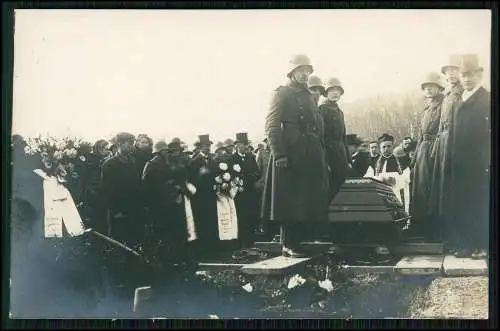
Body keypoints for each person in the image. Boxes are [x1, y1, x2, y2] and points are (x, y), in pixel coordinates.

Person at [262, 54, 329, 257]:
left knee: (305, 197)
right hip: (290, 151)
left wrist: (319, 150)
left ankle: (299, 241)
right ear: (292, 71)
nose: (305, 74)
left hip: (310, 151)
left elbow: (317, 123)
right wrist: (279, 153)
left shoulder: (309, 95)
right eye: (301, 70)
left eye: (308, 71)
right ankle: (288, 244)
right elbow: (271, 125)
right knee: (289, 198)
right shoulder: (281, 94)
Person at [449, 54, 490, 259]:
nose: (467, 79)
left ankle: (483, 245)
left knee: (480, 202)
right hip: (461, 161)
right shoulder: (459, 99)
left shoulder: (486, 99)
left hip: (480, 162)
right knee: (462, 202)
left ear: (480, 75)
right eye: (464, 75)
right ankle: (467, 244)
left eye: (471, 75)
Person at [142, 138, 196, 265]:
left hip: (175, 202)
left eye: (167, 151)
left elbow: (179, 179)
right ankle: (168, 260)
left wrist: (180, 189)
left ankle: (180, 258)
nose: (167, 153)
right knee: (165, 234)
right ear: (158, 153)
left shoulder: (169, 164)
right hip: (160, 205)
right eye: (164, 151)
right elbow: (148, 187)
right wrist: (169, 188)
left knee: (179, 232)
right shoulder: (151, 165)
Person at [430, 54, 464, 251]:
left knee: (455, 192)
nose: (451, 74)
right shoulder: (450, 94)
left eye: (455, 70)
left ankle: (457, 239)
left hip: (455, 144)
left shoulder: (461, 94)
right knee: (444, 191)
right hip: (443, 145)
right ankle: (448, 236)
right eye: (448, 71)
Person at [411, 72, 444, 240]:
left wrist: (434, 152)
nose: (428, 89)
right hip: (423, 150)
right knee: (420, 187)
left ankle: (433, 227)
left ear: (439, 88)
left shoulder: (443, 106)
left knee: (433, 188)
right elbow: (421, 136)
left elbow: (441, 131)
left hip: (435, 150)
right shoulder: (425, 110)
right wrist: (416, 156)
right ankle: (420, 225)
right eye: (426, 87)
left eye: (432, 86)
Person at [101, 132, 144, 248]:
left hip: (134, 211)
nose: (132, 146)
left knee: (134, 245)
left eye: (133, 143)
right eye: (129, 143)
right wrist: (116, 211)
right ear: (119, 144)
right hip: (118, 214)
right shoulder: (109, 164)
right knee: (119, 246)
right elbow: (107, 191)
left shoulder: (134, 162)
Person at [188, 134, 219, 258]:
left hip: (211, 196)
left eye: (209, 145)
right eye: (205, 146)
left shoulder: (213, 160)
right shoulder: (194, 162)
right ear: (200, 147)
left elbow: (216, 175)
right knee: (201, 223)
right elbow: (191, 180)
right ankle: (203, 251)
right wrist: (201, 176)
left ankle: (212, 249)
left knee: (212, 221)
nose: (208, 148)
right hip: (199, 198)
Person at [319, 77, 350, 200]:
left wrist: (348, 160)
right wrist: (324, 160)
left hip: (340, 155)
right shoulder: (321, 110)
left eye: (338, 90)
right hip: (327, 154)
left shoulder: (339, 112)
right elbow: (320, 138)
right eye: (332, 90)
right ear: (326, 92)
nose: (335, 93)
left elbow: (343, 138)